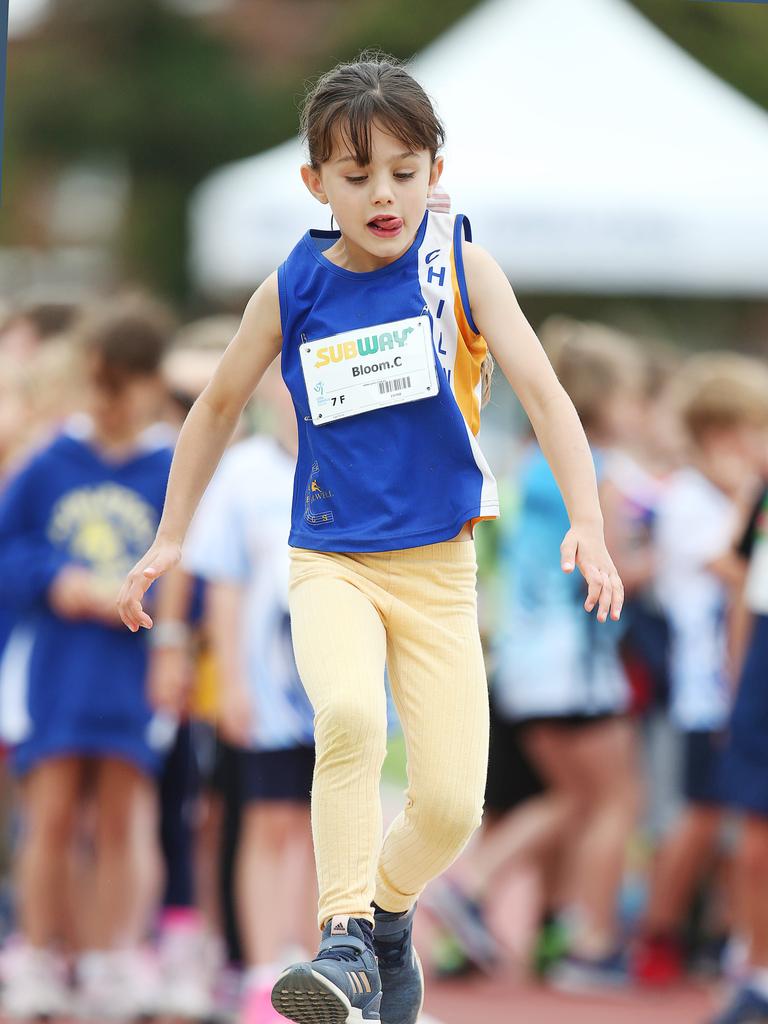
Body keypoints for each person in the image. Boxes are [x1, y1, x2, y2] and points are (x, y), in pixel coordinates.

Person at [118, 54, 623, 1024]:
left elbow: (549, 400)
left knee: (448, 807)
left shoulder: (461, 265)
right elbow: (217, 405)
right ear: (316, 184)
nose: (383, 194)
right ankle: (345, 937)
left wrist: (589, 525)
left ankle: (388, 916)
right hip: (331, 557)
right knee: (346, 717)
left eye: (403, 169)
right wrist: (171, 534)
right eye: (357, 177)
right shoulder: (295, 283)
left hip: (439, 569)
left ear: (438, 170)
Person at [0, 294, 176, 1020]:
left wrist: (164, 621)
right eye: (101, 385)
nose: (111, 403)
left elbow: (193, 567)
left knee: (121, 815)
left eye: (126, 386)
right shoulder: (50, 462)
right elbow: (11, 552)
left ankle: (109, 957)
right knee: (51, 812)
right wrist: (57, 580)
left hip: (131, 665)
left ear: (149, 383)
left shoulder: (171, 465)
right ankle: (41, 956)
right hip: (61, 664)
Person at [184, 361, 318, 1024]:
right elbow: (226, 586)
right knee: (269, 821)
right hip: (268, 688)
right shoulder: (242, 474)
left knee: (332, 826)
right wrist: (231, 682)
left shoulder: (358, 464)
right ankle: (267, 975)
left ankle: (324, 968)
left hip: (342, 687)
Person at [634, 353, 768, 989]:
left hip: (741, 684)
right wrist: (745, 501)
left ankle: (726, 938)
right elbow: (736, 569)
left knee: (735, 821)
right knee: (702, 816)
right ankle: (657, 931)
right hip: (705, 687)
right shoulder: (690, 497)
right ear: (721, 433)